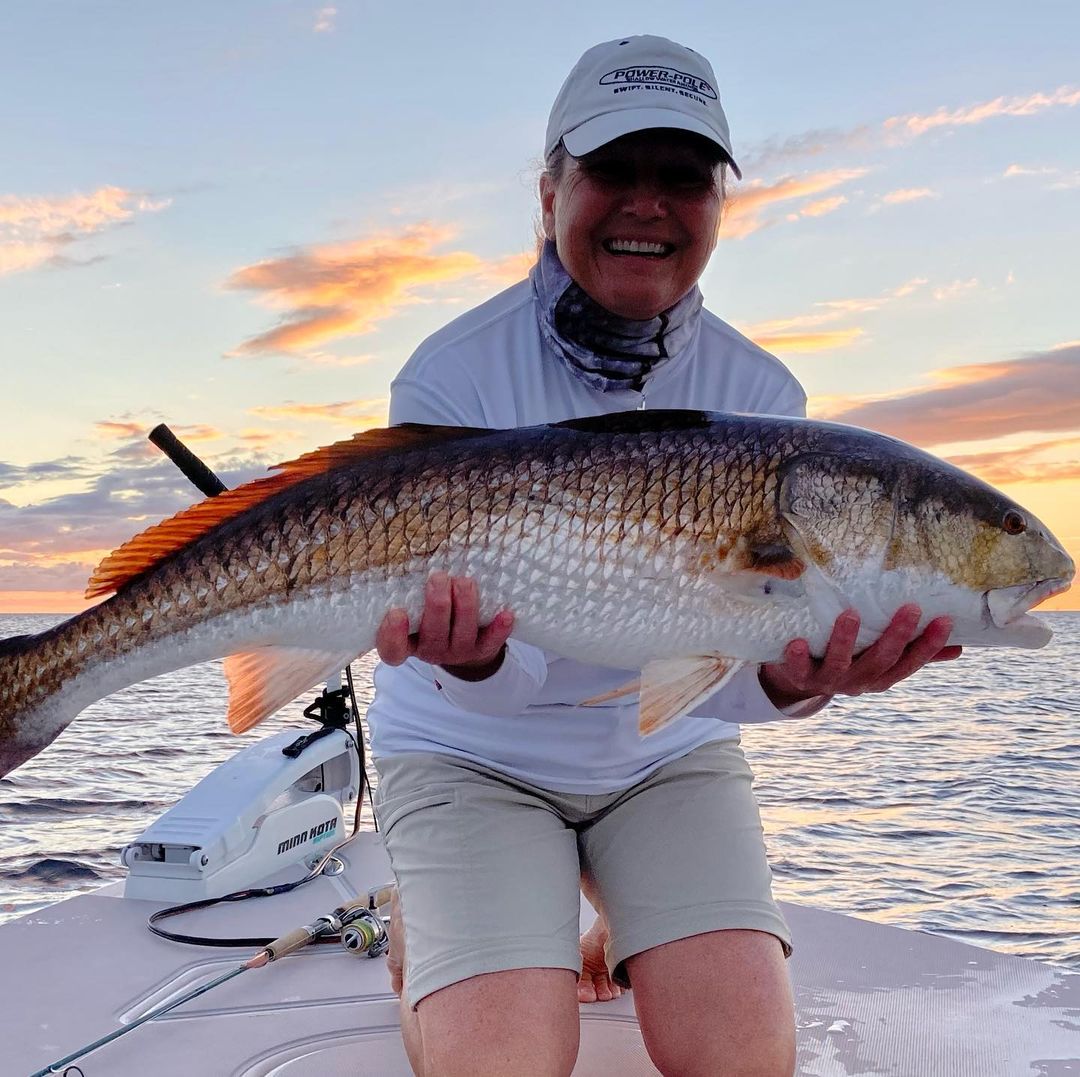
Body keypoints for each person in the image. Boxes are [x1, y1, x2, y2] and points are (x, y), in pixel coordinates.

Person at [366, 35, 961, 1077]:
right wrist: (471, 657)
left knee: (740, 1063)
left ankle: (604, 910)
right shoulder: (452, 376)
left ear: (720, 208)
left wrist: (788, 678)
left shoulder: (765, 402)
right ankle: (434, 927)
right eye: (612, 171)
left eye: (683, 178)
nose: (648, 204)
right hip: (469, 753)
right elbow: (502, 690)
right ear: (549, 188)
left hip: (663, 760)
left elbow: (708, 678)